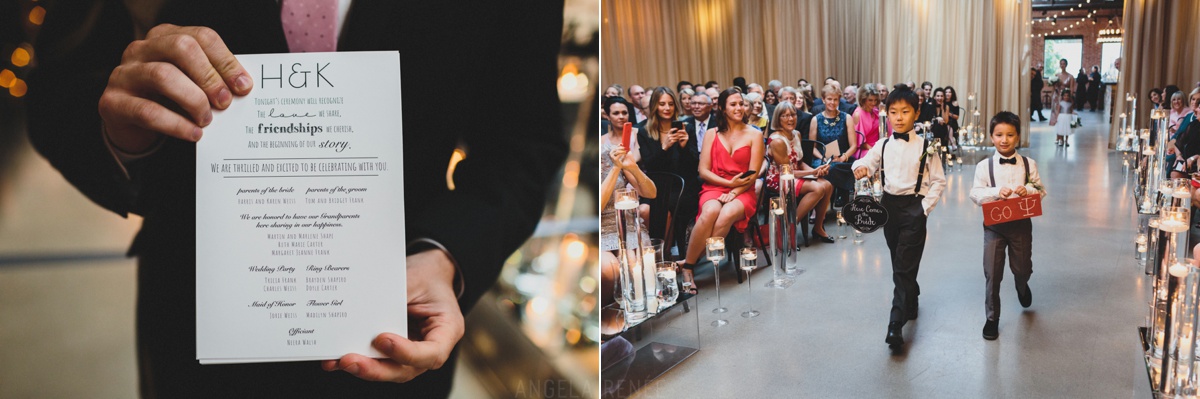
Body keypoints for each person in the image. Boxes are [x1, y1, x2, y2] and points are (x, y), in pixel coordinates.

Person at [24, 1, 565, 397]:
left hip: (394, 321)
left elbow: (522, 142)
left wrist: (446, 252)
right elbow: (60, 88)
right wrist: (122, 135)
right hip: (193, 327)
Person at [852, 84, 947, 349]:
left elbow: (938, 181)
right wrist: (859, 168)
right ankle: (912, 295)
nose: (899, 117)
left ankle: (895, 323)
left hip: (915, 207)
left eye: (905, 112)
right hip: (889, 209)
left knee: (903, 266)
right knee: (898, 260)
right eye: (893, 112)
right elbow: (865, 162)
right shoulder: (882, 145)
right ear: (887, 114)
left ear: (916, 113)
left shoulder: (926, 146)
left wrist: (924, 208)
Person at [968, 111, 1046, 340]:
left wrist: (1028, 190)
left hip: (1021, 225)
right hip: (994, 226)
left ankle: (1022, 285)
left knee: (1022, 268)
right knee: (992, 273)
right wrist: (994, 192)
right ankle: (992, 319)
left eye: (1010, 135)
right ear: (991, 137)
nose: (1004, 140)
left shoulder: (1028, 164)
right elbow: (975, 193)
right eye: (999, 135)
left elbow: (1041, 191)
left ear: (1018, 137)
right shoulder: (984, 166)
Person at [677, 89, 764, 291]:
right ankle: (689, 267)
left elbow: (753, 174)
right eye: (733, 104)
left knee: (725, 214)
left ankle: (689, 263)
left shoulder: (754, 134)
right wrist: (728, 185)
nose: (739, 108)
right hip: (714, 187)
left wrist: (734, 191)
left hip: (743, 191)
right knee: (710, 211)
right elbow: (703, 171)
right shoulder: (711, 134)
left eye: (741, 103)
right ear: (723, 108)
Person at [600, 97, 658, 300]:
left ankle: (638, 307)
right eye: (615, 113)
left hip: (628, 221)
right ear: (605, 115)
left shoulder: (626, 147)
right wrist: (616, 168)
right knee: (614, 270)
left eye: (624, 112)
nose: (621, 116)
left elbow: (651, 194)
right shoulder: (599, 150)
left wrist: (631, 166)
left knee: (635, 263)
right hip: (603, 226)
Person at [636, 87, 700, 262]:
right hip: (656, 186)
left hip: (682, 185)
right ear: (655, 106)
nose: (667, 108)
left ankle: (664, 257)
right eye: (662, 104)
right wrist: (664, 147)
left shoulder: (687, 128)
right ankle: (658, 256)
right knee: (649, 209)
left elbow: (694, 165)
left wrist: (684, 146)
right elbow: (650, 165)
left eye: (671, 104)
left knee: (669, 208)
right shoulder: (644, 131)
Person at [766, 100, 834, 243]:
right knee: (817, 189)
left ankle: (818, 228)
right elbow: (786, 172)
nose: (790, 119)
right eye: (785, 116)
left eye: (793, 114)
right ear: (778, 118)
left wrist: (817, 171)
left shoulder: (796, 134)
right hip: (779, 179)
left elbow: (800, 162)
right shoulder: (777, 141)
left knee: (827, 185)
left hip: (795, 174)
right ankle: (788, 228)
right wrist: (813, 172)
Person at [809, 84, 858, 164]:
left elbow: (853, 146)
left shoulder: (847, 118)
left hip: (843, 159)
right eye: (829, 99)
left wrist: (842, 158)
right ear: (823, 99)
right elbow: (813, 148)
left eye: (835, 99)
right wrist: (824, 159)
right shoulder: (815, 120)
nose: (832, 102)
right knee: (827, 169)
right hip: (822, 159)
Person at [852, 85, 882, 159]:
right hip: (863, 150)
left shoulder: (876, 112)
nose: (873, 103)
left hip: (877, 147)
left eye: (875, 100)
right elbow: (860, 143)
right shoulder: (858, 114)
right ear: (863, 99)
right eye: (870, 100)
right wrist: (874, 150)